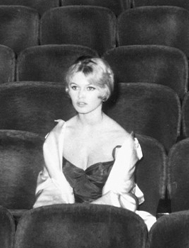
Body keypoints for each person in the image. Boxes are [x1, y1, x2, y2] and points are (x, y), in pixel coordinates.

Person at [33, 57, 156, 229]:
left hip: (107, 222)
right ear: (68, 89)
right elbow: (49, 189)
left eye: (90, 88)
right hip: (61, 220)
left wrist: (83, 221)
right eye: (75, 87)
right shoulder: (56, 137)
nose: (81, 96)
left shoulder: (123, 142)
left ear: (104, 92)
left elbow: (119, 197)